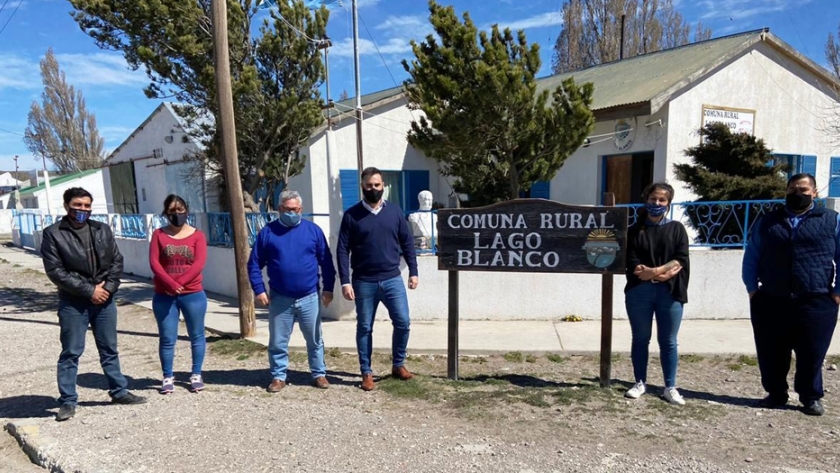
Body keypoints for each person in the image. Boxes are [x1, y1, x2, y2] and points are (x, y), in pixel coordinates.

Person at [41, 187, 147, 422]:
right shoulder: (53, 234)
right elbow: (56, 272)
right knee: (71, 351)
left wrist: (107, 289)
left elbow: (117, 262)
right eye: (78, 205)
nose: (83, 210)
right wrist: (90, 291)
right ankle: (68, 400)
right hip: (73, 302)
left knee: (109, 348)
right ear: (67, 205)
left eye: (87, 205)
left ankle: (119, 391)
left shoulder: (101, 229)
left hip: (105, 300)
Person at [742, 173, 839, 416]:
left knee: (812, 352)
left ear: (814, 193)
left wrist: (838, 292)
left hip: (816, 300)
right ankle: (776, 393)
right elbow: (752, 255)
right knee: (771, 351)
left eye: (804, 189)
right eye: (794, 189)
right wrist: (752, 289)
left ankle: (811, 397)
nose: (799, 193)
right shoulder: (769, 221)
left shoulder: (831, 220)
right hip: (772, 299)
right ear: (786, 191)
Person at [337, 167, 419, 391]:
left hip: (393, 278)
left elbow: (408, 242)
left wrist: (414, 271)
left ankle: (398, 364)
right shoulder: (351, 216)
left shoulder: (395, 212)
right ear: (362, 187)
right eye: (368, 185)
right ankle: (366, 372)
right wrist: (345, 281)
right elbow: (343, 250)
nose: (373, 189)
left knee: (403, 322)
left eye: (377, 185)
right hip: (364, 281)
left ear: (383, 186)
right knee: (364, 327)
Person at [248, 190, 336, 392]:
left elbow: (326, 262)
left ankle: (319, 373)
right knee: (278, 340)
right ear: (279, 209)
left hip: (309, 296)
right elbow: (254, 264)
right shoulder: (267, 233)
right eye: (287, 209)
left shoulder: (313, 231)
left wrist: (329, 288)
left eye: (295, 210)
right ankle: (279, 376)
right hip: (280, 298)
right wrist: (259, 289)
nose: (292, 213)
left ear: (301, 209)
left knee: (314, 339)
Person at [623, 182, 690, 405]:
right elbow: (631, 260)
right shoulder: (634, 230)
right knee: (640, 339)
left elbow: (680, 259)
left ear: (668, 203)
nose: (657, 204)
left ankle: (670, 387)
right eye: (653, 199)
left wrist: (658, 272)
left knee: (668, 341)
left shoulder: (677, 229)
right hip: (639, 292)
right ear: (646, 200)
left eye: (662, 200)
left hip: (669, 293)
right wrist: (650, 274)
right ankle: (640, 382)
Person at [149, 195, 208, 394]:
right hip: (164, 295)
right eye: (172, 211)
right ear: (166, 213)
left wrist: (180, 283)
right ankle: (167, 376)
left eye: (180, 210)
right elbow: (155, 264)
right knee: (167, 337)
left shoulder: (197, 235)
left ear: (187, 211)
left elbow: (198, 263)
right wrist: (171, 284)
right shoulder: (158, 234)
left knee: (197, 335)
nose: (177, 214)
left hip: (193, 294)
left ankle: (196, 374)